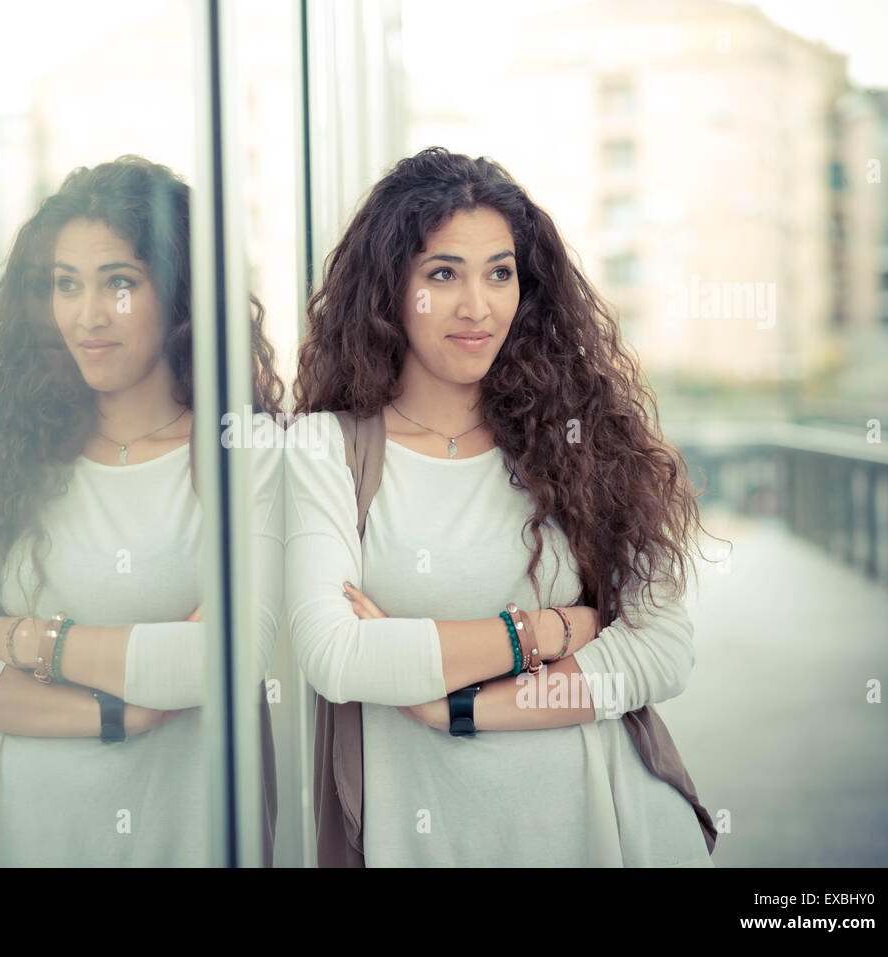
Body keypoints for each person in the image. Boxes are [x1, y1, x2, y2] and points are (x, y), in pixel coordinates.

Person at [283, 146, 724, 866]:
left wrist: (453, 703)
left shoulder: (579, 436)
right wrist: (552, 630)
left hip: (601, 825)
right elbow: (338, 654)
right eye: (442, 274)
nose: (477, 306)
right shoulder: (325, 450)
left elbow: (664, 648)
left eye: (499, 273)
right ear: (388, 288)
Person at [0, 155, 285, 866]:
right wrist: (116, 713)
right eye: (65, 284)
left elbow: (220, 662)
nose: (87, 315)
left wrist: (20, 639)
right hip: (15, 828)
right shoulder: (1, 453)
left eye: (120, 282)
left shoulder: (249, 454)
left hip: (185, 831)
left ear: (179, 293)